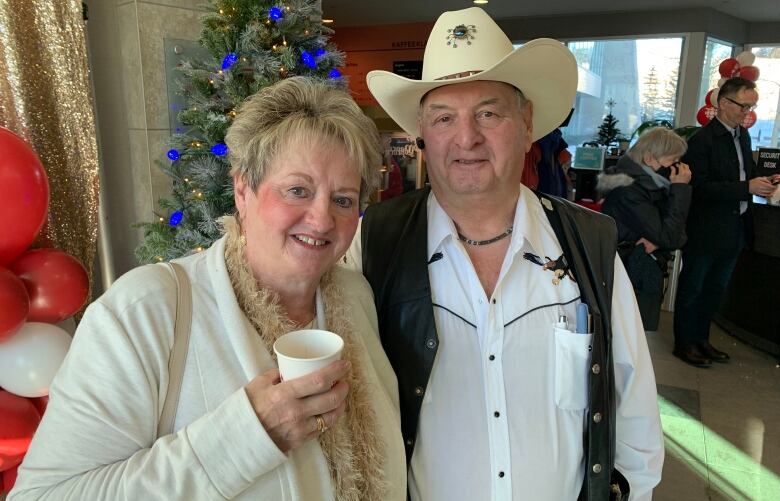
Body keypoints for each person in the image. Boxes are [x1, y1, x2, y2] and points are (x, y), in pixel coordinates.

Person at [10, 77, 406, 501]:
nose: (322, 219)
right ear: (242, 190)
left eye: (343, 199)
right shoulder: (146, 311)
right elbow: (44, 495)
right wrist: (246, 437)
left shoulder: (355, 296)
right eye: (297, 190)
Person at [344, 7, 663, 501]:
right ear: (423, 134)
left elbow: (632, 399)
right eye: (444, 117)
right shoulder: (373, 244)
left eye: (488, 113)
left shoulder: (588, 244)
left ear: (526, 122)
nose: (466, 137)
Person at [673, 77, 778, 368]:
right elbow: (701, 188)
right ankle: (684, 343)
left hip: (735, 229)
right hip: (706, 229)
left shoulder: (742, 136)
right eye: (744, 105)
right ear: (723, 103)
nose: (748, 112)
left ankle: (702, 339)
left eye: (752, 106)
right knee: (693, 287)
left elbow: (747, 171)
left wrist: (766, 180)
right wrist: (747, 188)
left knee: (715, 290)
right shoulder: (700, 142)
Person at [598, 127, 692, 331]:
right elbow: (670, 235)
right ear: (649, 159)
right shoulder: (629, 188)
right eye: (672, 160)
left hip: (635, 270)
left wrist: (659, 238)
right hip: (627, 272)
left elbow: (678, 234)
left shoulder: (654, 185)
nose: (678, 167)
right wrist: (681, 189)